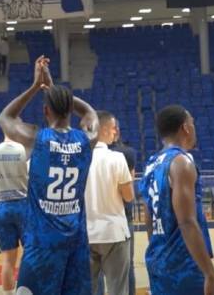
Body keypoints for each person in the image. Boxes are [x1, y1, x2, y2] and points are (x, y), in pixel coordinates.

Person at [0, 56, 99, 295]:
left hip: (42, 243)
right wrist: (54, 89)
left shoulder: (37, 138)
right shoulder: (87, 139)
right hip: (75, 242)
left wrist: (36, 86)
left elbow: (5, 118)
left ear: (45, 111)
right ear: (69, 110)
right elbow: (90, 112)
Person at [139, 105, 214, 295]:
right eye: (192, 123)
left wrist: (159, 254)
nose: (194, 127)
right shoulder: (181, 162)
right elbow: (187, 222)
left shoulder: (151, 163)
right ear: (185, 128)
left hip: (158, 259)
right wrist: (210, 275)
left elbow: (148, 218)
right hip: (183, 265)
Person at [86, 111, 133, 295]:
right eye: (113, 128)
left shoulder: (79, 158)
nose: (115, 132)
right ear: (104, 129)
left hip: (86, 234)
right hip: (114, 232)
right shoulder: (117, 158)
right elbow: (128, 196)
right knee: (117, 290)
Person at [0, 135, 28, 295]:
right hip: (23, 206)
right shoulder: (24, 150)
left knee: (8, 261)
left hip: (2, 207)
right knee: (29, 256)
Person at [110, 119, 137, 295]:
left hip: (96, 218)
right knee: (127, 265)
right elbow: (129, 185)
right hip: (123, 216)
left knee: (96, 270)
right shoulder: (127, 153)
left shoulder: (90, 153)